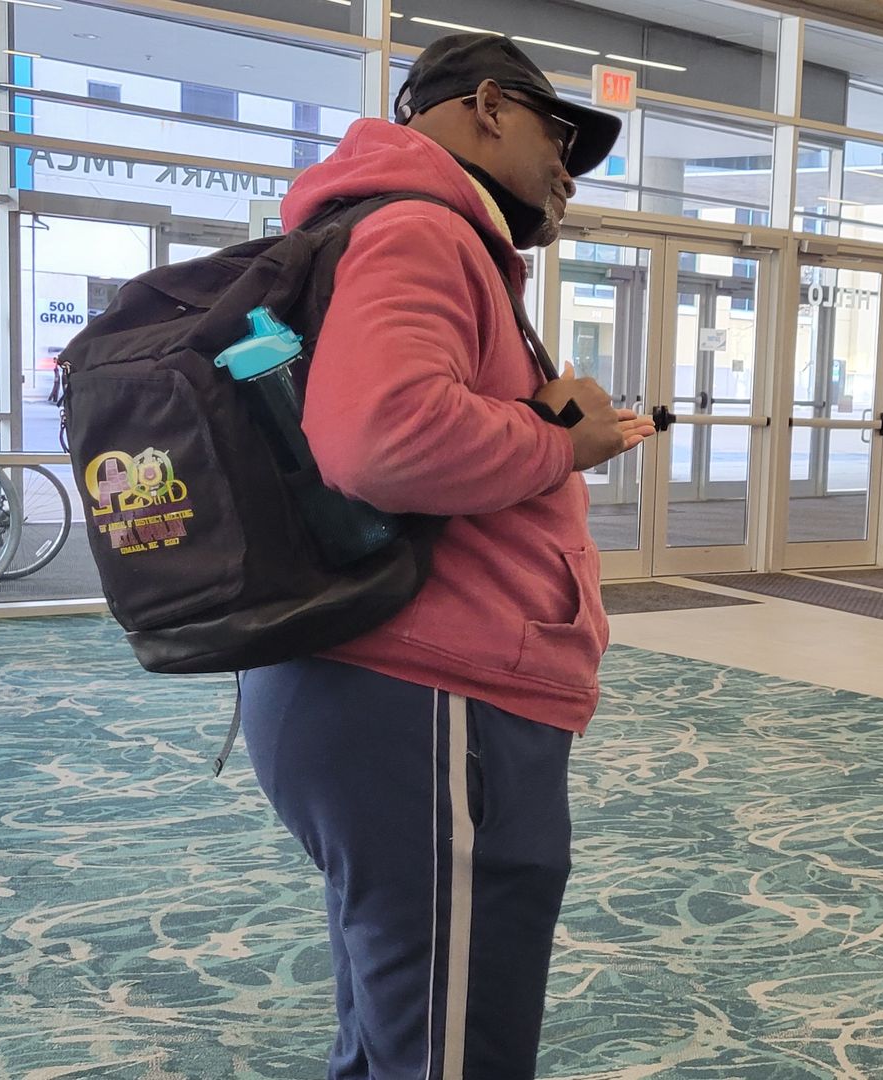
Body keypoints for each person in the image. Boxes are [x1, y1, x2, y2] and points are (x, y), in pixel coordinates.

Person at [234, 34, 654, 1079]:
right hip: (425, 693)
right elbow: (384, 438)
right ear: (487, 108)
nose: (569, 168)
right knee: (452, 1046)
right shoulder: (423, 230)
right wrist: (567, 441)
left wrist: (532, 416)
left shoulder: (379, 227)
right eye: (561, 135)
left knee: (404, 1029)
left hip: (387, 687)